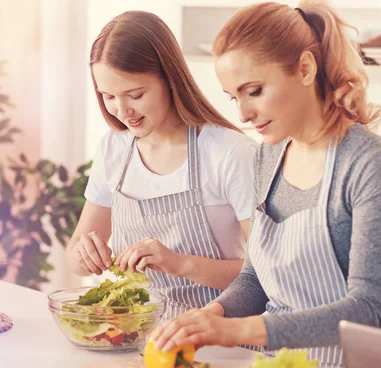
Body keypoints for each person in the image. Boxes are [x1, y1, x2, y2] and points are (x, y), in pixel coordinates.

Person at [152, 1, 381, 367]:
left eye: (254, 91)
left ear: (305, 68)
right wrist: (214, 314)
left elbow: (370, 309)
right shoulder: (268, 157)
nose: (242, 114)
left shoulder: (371, 164)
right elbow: (255, 277)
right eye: (234, 97)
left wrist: (239, 332)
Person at [64, 11, 257, 322]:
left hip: (221, 339)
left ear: (169, 78)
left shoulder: (230, 153)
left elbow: (266, 275)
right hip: (136, 334)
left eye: (135, 94)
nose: (123, 111)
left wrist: (179, 264)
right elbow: (74, 256)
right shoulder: (114, 148)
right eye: (108, 96)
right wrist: (83, 255)